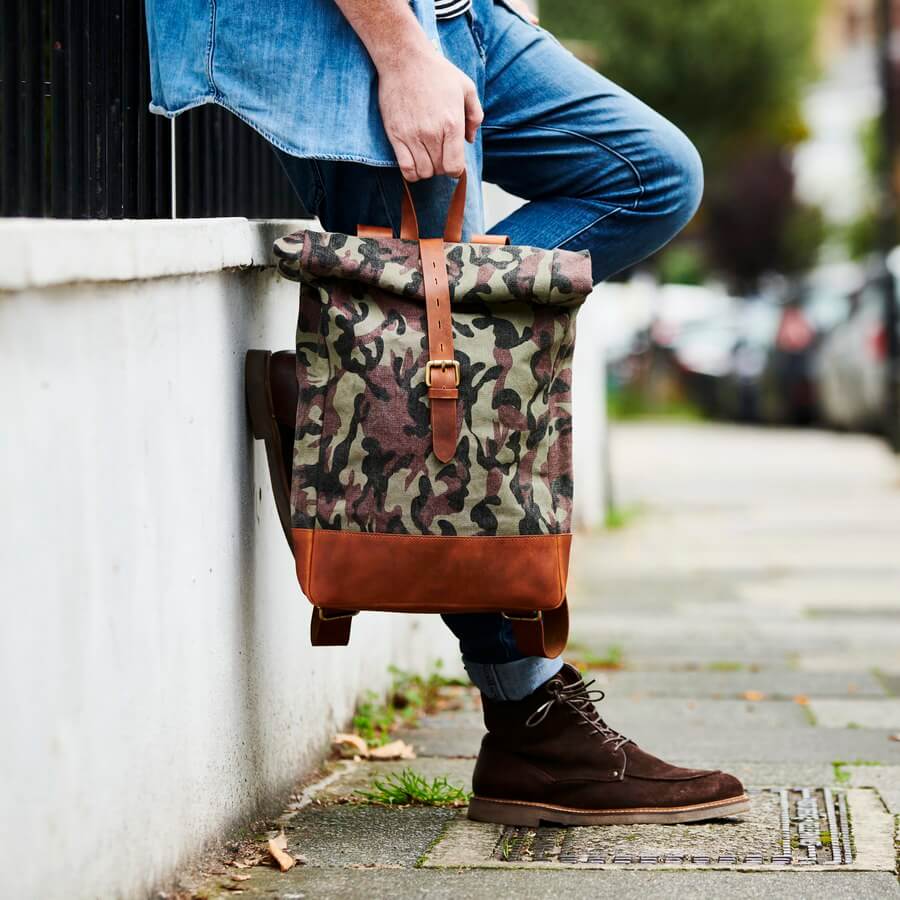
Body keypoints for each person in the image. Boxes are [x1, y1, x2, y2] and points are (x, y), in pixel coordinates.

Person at [145, 0, 749, 826]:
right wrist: (399, 50)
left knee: (652, 172)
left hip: (461, 14)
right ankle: (530, 719)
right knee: (428, 366)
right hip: (357, 27)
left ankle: (348, 394)